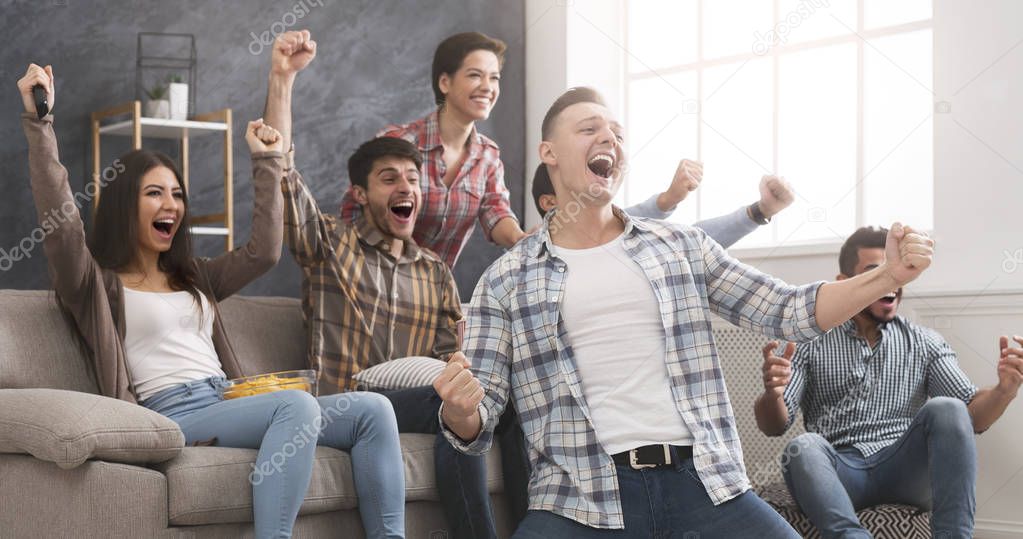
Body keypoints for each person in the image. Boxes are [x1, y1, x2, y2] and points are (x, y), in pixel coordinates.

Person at [431, 87, 936, 538]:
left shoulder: (679, 246)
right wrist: (460, 409)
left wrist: (887, 275)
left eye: (617, 133)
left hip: (706, 485)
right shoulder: (506, 278)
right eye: (589, 129)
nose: (608, 138)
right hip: (577, 501)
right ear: (550, 154)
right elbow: (482, 416)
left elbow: (789, 310)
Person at [17, 63, 405, 539]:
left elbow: (263, 251)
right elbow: (60, 225)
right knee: (296, 407)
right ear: (124, 205)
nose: (172, 205)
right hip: (171, 412)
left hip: (227, 399)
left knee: (373, 410)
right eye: (155, 193)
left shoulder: (194, 276)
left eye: (177, 195)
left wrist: (267, 163)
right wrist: (41, 124)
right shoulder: (95, 284)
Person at [263, 31, 527, 539]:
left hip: (419, 394)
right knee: (450, 402)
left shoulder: (435, 273)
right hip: (351, 403)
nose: (406, 187)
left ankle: (537, 528)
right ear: (360, 194)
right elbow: (281, 171)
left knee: (496, 403)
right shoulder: (330, 246)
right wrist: (281, 79)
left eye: (414, 179)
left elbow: (456, 359)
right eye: (389, 179)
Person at [339, 31, 746, 268]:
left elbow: (496, 216)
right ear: (445, 83)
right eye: (475, 75)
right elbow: (352, 214)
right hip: (372, 276)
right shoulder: (398, 141)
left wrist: (524, 238)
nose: (488, 87)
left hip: (430, 287)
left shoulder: (487, 157)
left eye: (494, 78)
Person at [753, 226, 1023, 539]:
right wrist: (772, 394)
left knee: (948, 408)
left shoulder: (924, 341)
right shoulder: (810, 342)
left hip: (905, 470)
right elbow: (774, 425)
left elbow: (971, 417)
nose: (891, 282)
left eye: (895, 272)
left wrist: (1005, 390)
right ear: (845, 284)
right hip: (842, 471)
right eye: (878, 273)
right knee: (803, 447)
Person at [531, 160, 795, 249]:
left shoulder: (621, 238)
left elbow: (688, 242)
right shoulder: (526, 257)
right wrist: (667, 199)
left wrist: (761, 210)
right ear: (549, 202)